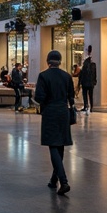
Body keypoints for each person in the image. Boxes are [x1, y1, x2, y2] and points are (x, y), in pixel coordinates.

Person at [35, 49, 75, 194]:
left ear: (48, 61)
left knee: (53, 145)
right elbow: (72, 96)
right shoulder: (66, 76)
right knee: (60, 145)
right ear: (60, 61)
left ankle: (63, 181)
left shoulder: (43, 76)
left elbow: (39, 96)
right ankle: (54, 180)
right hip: (64, 112)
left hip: (50, 112)